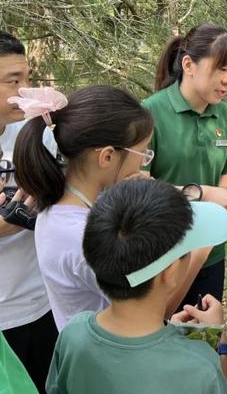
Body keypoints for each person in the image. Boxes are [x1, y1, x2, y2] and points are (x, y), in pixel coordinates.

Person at [46, 178, 227, 394]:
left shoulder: (73, 335)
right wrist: (219, 347)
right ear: (170, 272)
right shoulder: (199, 366)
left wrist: (168, 329)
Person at [144, 22, 227, 307]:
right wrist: (202, 192)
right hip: (162, 252)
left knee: (203, 337)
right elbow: (135, 185)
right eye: (221, 69)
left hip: (210, 250)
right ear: (189, 64)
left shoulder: (223, 116)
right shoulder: (151, 112)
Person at [13, 85, 155, 331]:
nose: (143, 162)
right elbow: (145, 313)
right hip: (105, 359)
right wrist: (199, 249)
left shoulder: (60, 209)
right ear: (107, 157)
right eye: (142, 152)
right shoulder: (83, 237)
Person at [0, 32, 57, 394]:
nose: (25, 90)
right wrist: (17, 215)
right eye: (13, 81)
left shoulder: (34, 133)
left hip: (42, 301)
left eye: (27, 78)